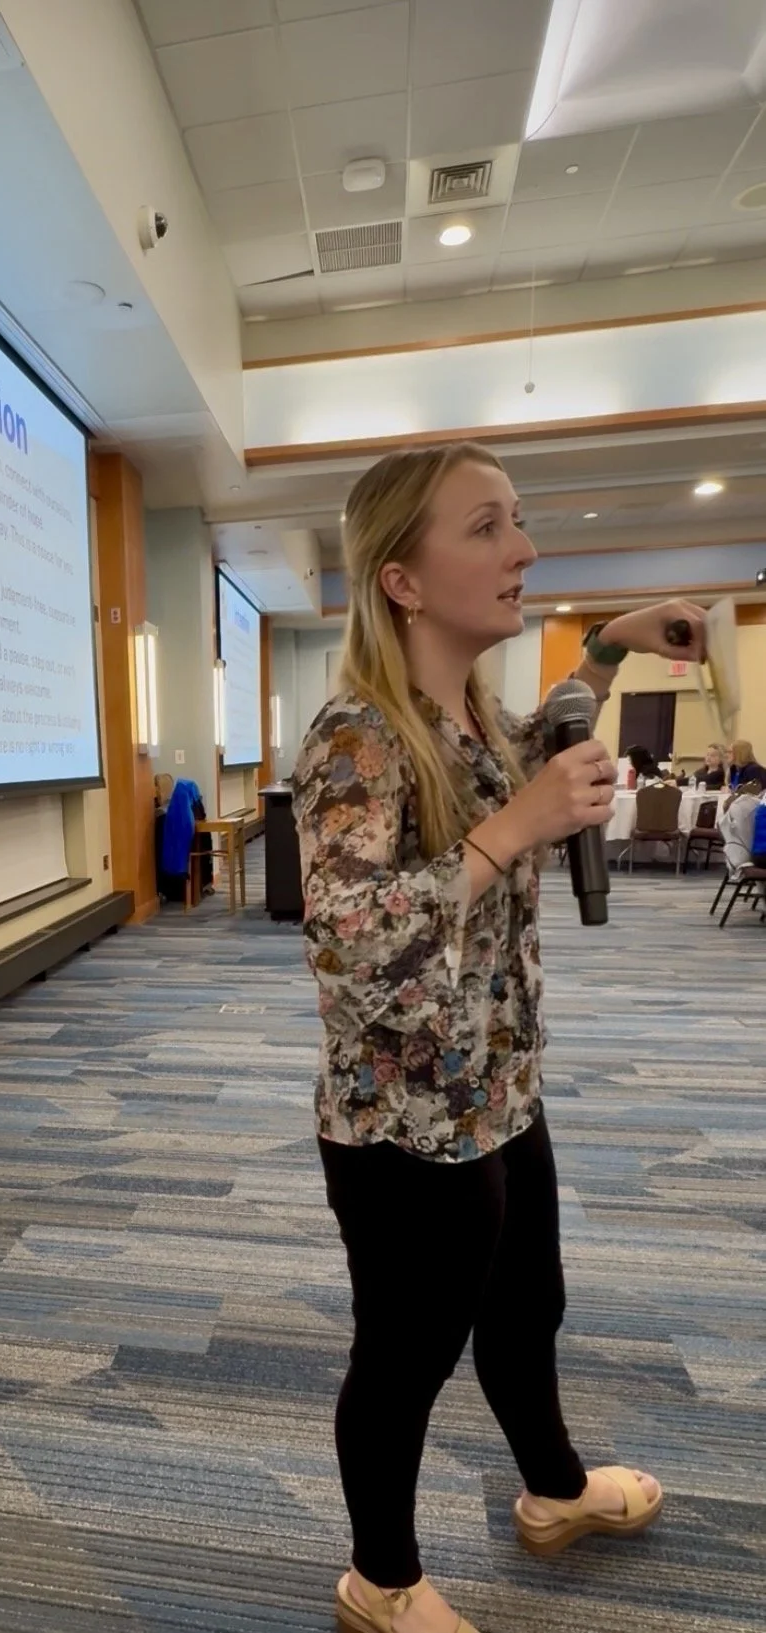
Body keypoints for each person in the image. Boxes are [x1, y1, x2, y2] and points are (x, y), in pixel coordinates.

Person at [291, 443, 703, 1633]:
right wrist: (511, 831)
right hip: (405, 1124)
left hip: (501, 1091)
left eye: (519, 522)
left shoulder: (468, 714)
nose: (523, 549)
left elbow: (552, 728)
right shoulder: (358, 738)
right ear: (402, 580)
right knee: (405, 1356)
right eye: (486, 528)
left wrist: (616, 643)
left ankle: (555, 1492)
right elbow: (353, 944)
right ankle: (382, 1579)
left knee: (529, 1309)